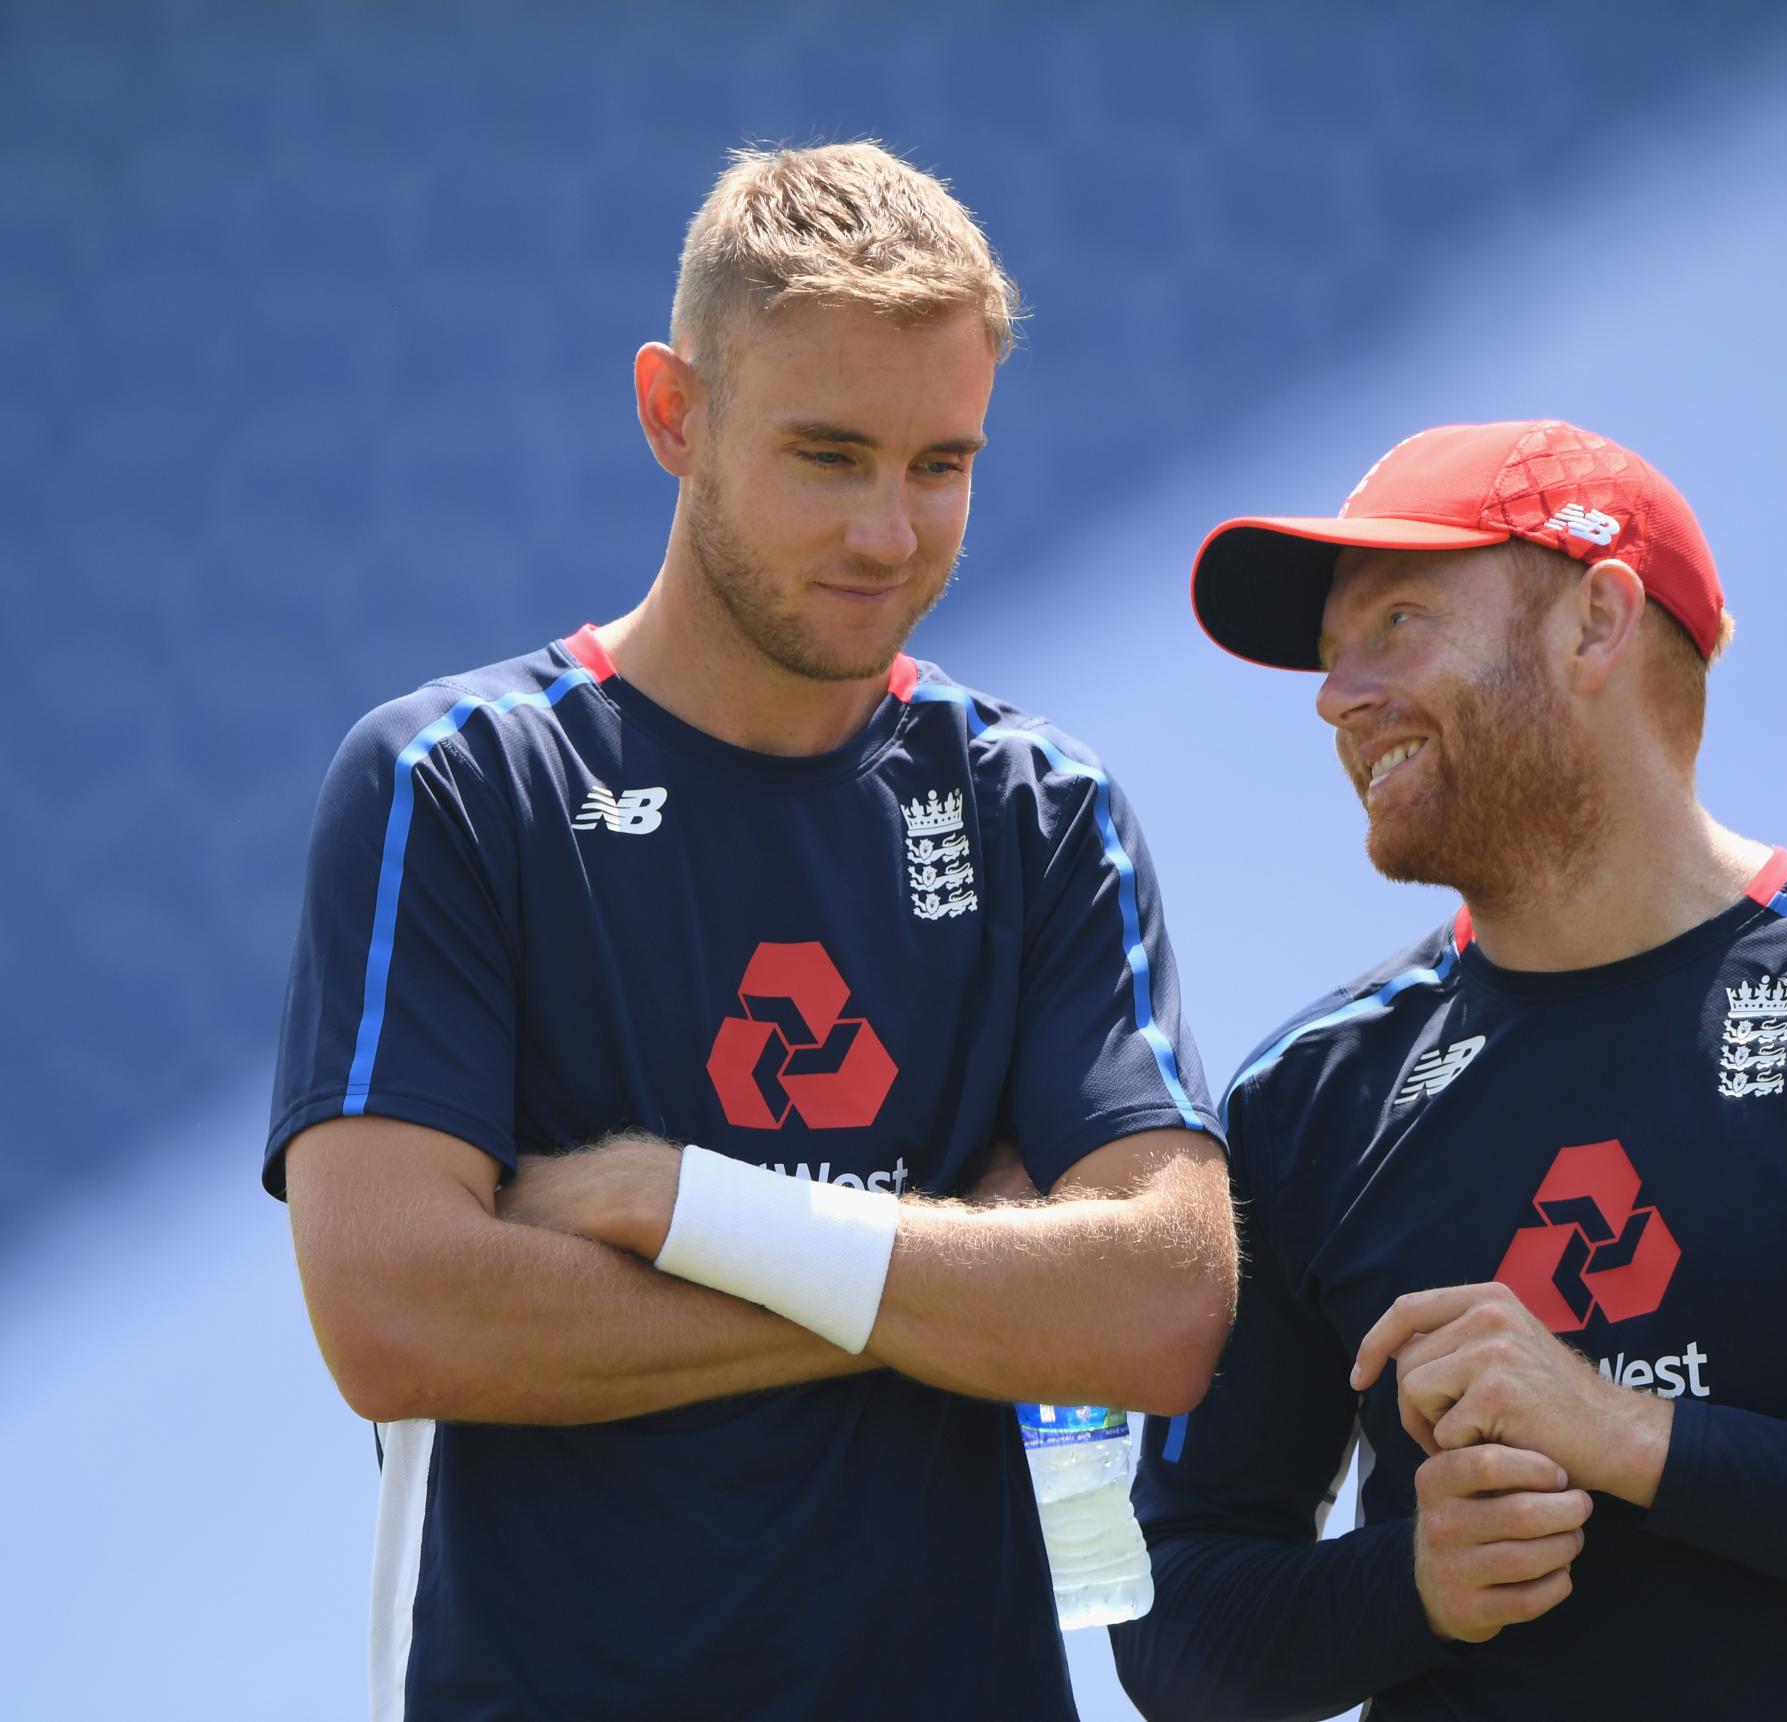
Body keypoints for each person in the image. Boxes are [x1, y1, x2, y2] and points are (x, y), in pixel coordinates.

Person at [266, 142, 1236, 1722]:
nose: (889, 533)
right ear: (675, 414)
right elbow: (397, 1311)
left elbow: (1164, 1302)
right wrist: (962, 1277)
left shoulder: (1040, 804)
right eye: (828, 457)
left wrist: (682, 1205)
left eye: (941, 464)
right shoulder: (456, 782)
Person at [1110, 420, 1787, 1721]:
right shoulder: (1305, 1100)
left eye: (1396, 622)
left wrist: (1628, 1436)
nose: (1339, 696)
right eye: (1334, 655)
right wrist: (1410, 1586)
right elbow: (1169, 1616)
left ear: (1597, 623)